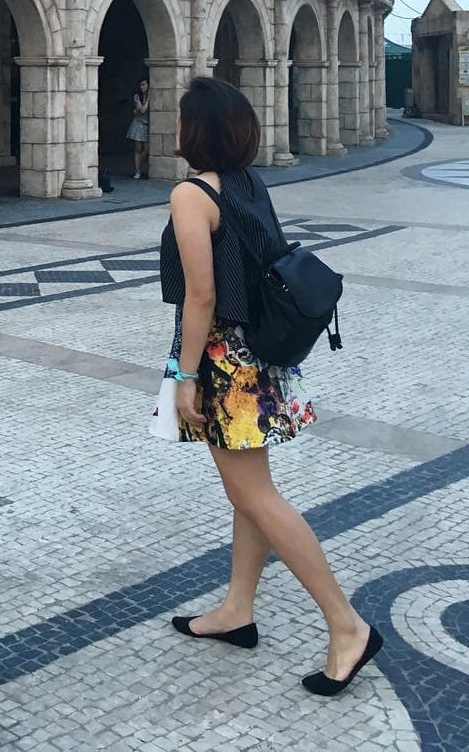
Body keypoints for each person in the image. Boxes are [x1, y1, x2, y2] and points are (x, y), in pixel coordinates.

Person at [151, 76, 382, 696]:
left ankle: (347, 625)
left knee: (257, 496)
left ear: (194, 130)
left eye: (180, 119)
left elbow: (201, 296)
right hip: (263, 357)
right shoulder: (248, 184)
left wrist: (184, 375)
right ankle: (237, 610)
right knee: (251, 493)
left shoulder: (190, 194)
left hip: (225, 363)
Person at [125, 77, 150, 179]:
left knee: (147, 149)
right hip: (138, 124)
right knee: (138, 149)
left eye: (144, 84)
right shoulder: (137, 97)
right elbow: (142, 110)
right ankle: (137, 171)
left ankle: (138, 165)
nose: (142, 87)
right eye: (140, 85)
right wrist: (148, 100)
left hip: (148, 124)